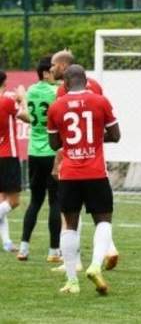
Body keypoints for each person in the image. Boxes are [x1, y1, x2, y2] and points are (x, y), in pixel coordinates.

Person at [47, 65, 121, 294]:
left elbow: (54, 144)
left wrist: (72, 141)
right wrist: (95, 138)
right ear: (86, 81)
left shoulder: (56, 106)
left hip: (69, 174)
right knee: (103, 220)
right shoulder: (101, 101)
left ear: (65, 83)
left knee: (69, 224)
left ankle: (72, 281)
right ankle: (95, 265)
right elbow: (116, 135)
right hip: (95, 172)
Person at [17, 57, 62, 262]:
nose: (55, 75)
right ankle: (53, 251)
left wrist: (22, 99)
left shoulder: (32, 90)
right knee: (55, 201)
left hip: (34, 152)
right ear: (45, 73)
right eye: (52, 71)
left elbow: (28, 116)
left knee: (35, 201)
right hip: (52, 153)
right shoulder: (56, 92)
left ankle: (23, 248)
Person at [0, 71, 30, 252]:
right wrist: (22, 98)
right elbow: (27, 117)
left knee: (2, 200)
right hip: (7, 155)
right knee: (14, 201)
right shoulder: (5, 101)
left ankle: (7, 242)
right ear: (4, 83)